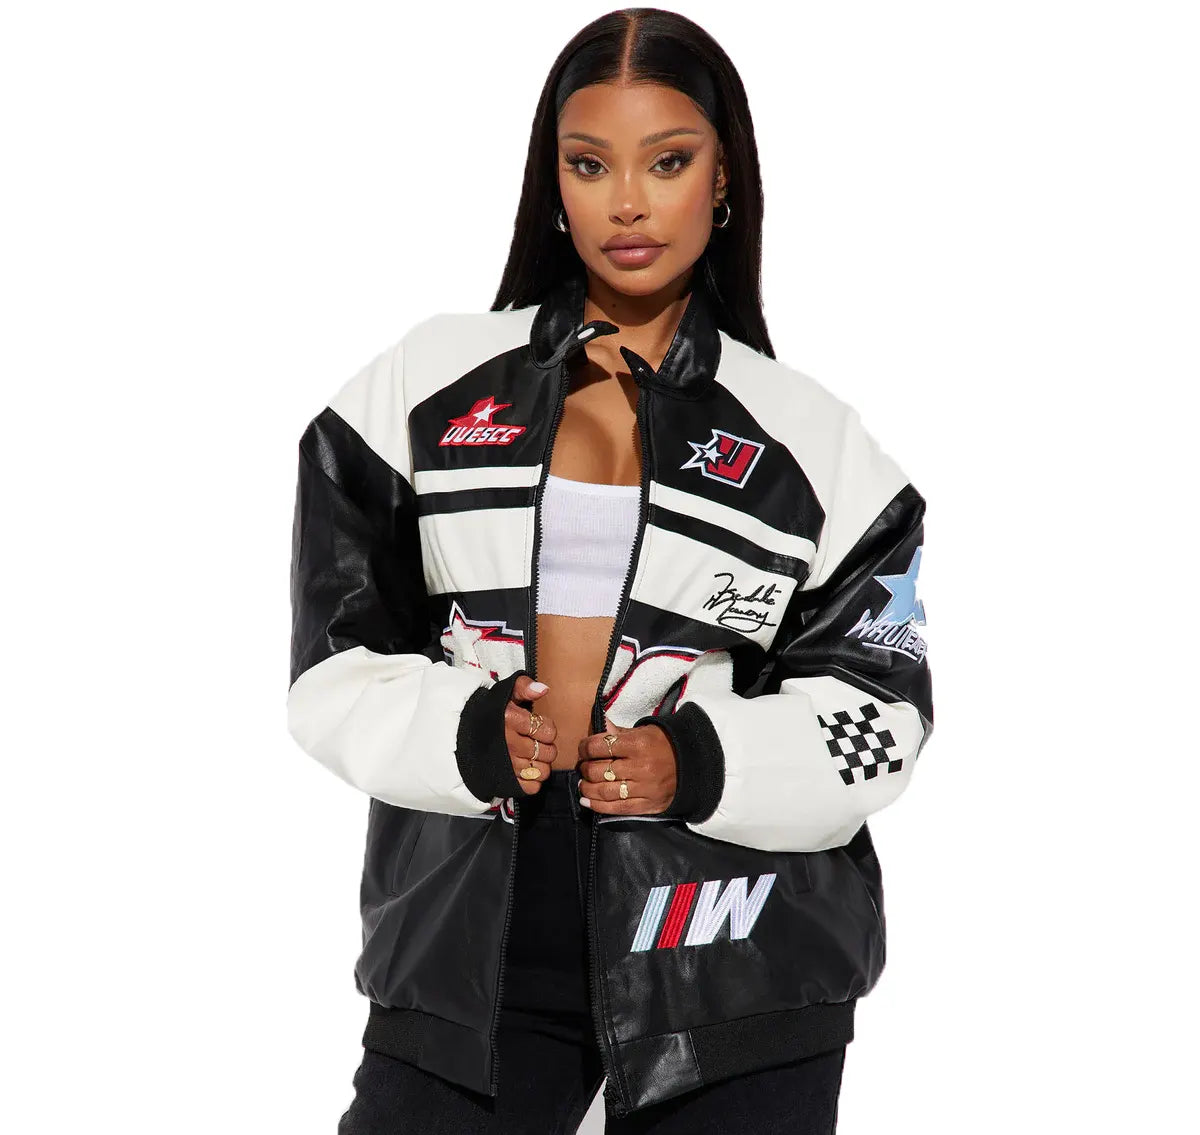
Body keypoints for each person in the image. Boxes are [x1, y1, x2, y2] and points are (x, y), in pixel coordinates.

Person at [287, 8, 934, 1132]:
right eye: (590, 165)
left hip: (737, 968)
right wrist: (467, 735)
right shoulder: (417, 395)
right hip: (466, 961)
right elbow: (329, 673)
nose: (627, 203)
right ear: (553, 182)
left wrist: (700, 762)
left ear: (723, 176)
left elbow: (883, 719)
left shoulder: (819, 447)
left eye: (667, 161)